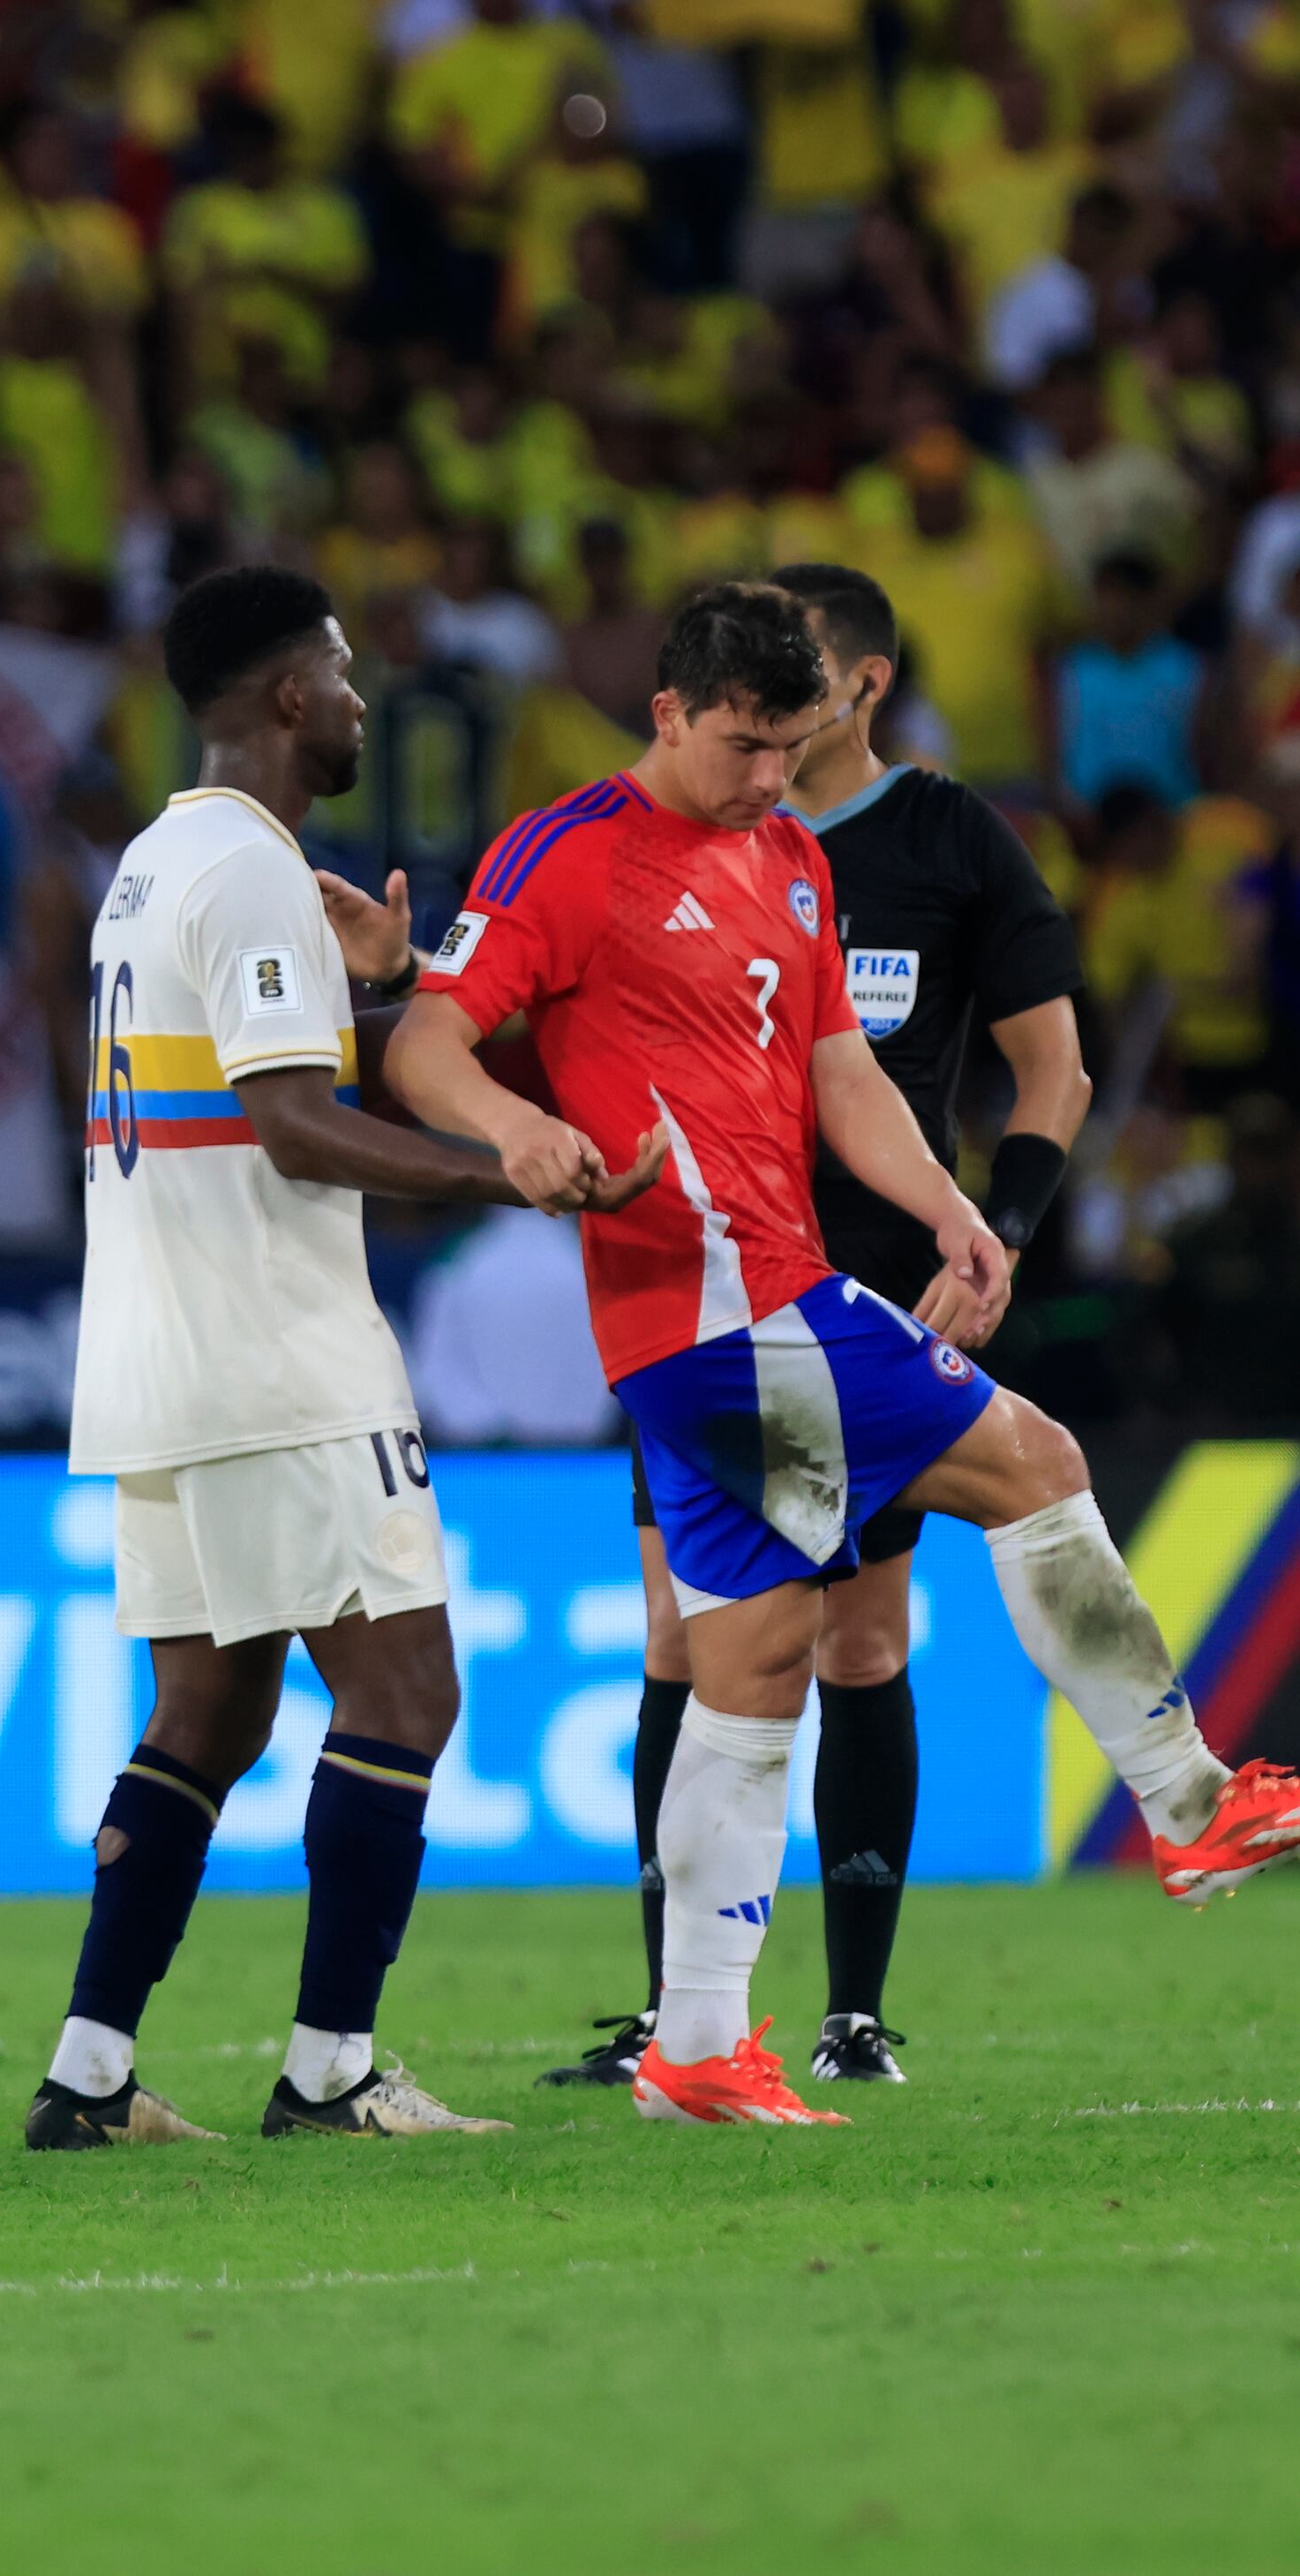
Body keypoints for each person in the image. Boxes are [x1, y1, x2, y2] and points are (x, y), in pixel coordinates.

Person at [390, 582, 1299, 2129]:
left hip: (749, 1305)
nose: (767, 778)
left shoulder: (796, 861)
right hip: (721, 1307)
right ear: (669, 711)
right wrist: (519, 1125)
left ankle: (693, 2047)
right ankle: (1190, 1799)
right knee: (1039, 1463)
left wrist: (956, 1212)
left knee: (752, 1664)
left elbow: (843, 1078)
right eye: (744, 746)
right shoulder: (569, 851)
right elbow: (424, 1038)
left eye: (793, 746)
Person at [34, 568, 657, 2151]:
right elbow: (297, 1128)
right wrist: (498, 1164)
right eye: (343, 670)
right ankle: (331, 2069)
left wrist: (377, 984)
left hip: (160, 1351)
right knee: (406, 1688)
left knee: (215, 1712)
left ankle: (91, 2076)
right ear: (286, 699)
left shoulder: (156, 865)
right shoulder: (244, 875)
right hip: (274, 1351)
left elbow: (269, 1077)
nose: (366, 696)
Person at [547, 561, 1093, 2093]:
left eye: (799, 696)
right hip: (710, 1300)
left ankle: (845, 2011)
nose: (773, 740)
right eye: (750, 715)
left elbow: (1047, 1066)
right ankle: (685, 2022)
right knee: (698, 1636)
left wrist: (996, 1226)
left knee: (851, 1639)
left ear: (862, 682)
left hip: (877, 1296)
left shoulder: (936, 838)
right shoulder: (684, 845)